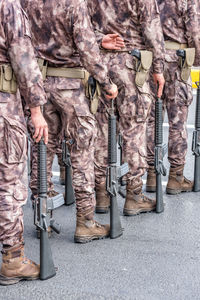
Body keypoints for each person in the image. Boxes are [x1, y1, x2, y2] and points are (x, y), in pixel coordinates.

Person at [21, 0, 118, 243]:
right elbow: (85, 48)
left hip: (40, 84)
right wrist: (106, 82)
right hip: (71, 88)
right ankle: (85, 220)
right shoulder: (73, 3)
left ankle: (41, 214)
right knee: (82, 151)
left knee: (43, 148)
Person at [87, 0, 165, 215]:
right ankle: (133, 194)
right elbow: (153, 33)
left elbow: (82, 28)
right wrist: (158, 69)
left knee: (101, 132)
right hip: (131, 67)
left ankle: (101, 193)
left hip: (101, 67)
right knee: (134, 131)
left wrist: (99, 41)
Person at [0, 0, 48, 285]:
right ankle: (13, 258)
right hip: (4, 108)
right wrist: (36, 109)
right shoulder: (8, 6)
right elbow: (23, 58)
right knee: (9, 180)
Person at [146, 0, 200, 194]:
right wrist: (197, 59)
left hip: (152, 60)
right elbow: (194, 29)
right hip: (178, 59)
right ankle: (176, 177)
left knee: (152, 120)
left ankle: (151, 175)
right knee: (177, 121)